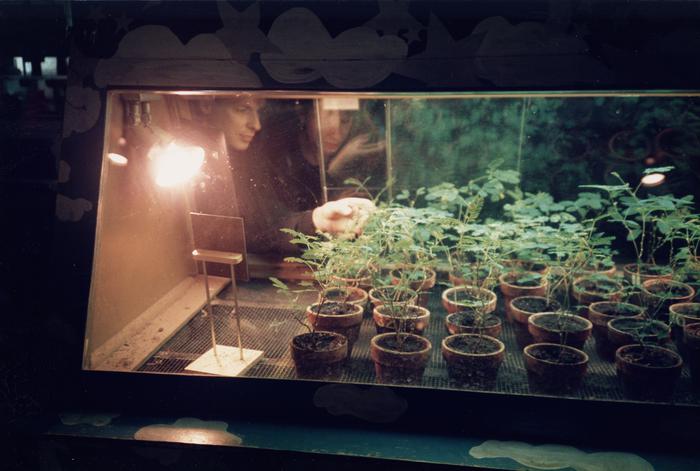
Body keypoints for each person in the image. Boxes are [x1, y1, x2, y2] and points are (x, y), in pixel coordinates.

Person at [194, 95, 376, 253]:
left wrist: (317, 219)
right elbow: (238, 237)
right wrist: (315, 220)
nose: (256, 125)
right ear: (206, 104)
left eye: (345, 119)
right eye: (242, 109)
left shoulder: (252, 159)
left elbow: (269, 227)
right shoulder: (194, 160)